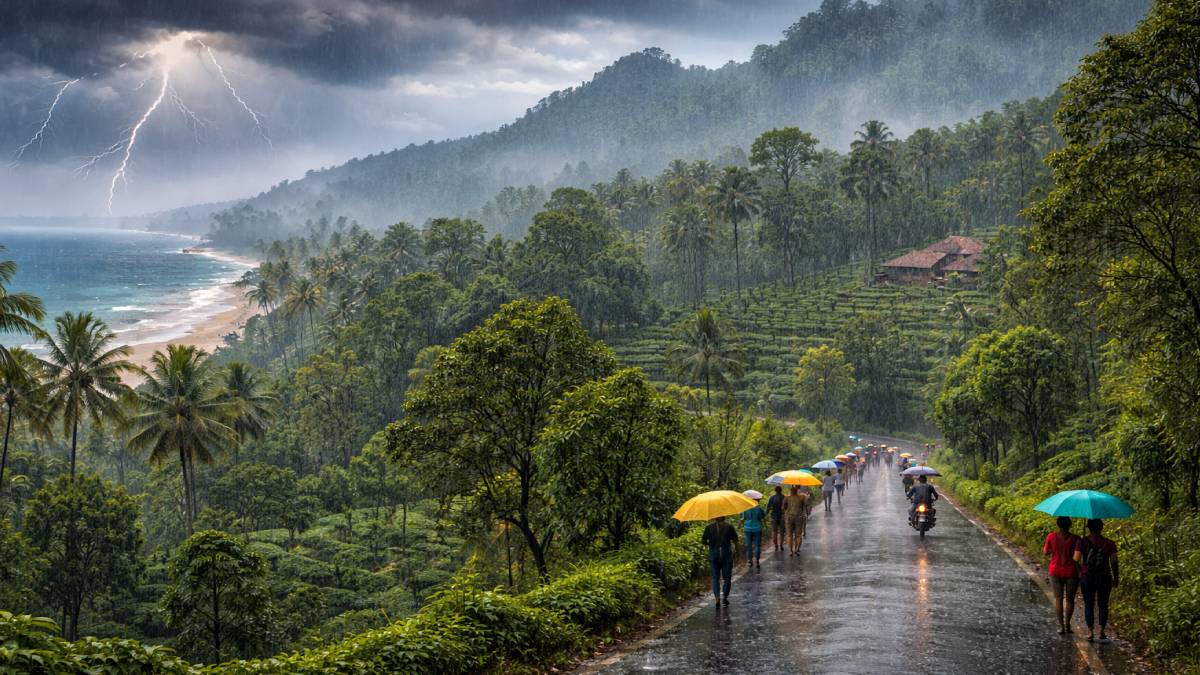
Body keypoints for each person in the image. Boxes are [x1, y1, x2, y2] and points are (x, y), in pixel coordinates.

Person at [1074, 519, 1119, 642]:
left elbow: (1076, 560)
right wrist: (1116, 578)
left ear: (1088, 527)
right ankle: (1102, 631)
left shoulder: (1082, 542)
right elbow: (1114, 563)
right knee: (1103, 605)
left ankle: (1090, 632)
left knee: (1089, 604)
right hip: (1105, 578)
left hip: (1087, 578)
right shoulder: (1110, 543)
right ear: (1102, 528)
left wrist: (1081, 571)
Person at [1044, 516, 1080, 635]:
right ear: (1070, 525)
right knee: (1070, 600)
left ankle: (1061, 627)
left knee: (1058, 599)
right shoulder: (1076, 538)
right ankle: (1068, 624)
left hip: (1055, 571)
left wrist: (1053, 550)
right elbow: (1077, 557)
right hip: (1071, 572)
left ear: (1058, 524)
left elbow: (1046, 552)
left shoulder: (1051, 536)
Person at [702, 516, 739, 605]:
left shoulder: (708, 527)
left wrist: (710, 543)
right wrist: (737, 552)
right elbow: (735, 540)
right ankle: (725, 597)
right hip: (726, 554)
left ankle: (717, 597)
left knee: (715, 578)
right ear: (724, 517)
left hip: (713, 554)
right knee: (727, 578)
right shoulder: (729, 527)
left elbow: (703, 540)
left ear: (714, 518)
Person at [782, 486, 809, 555]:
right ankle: (797, 549)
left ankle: (791, 550)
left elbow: (782, 508)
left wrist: (787, 509)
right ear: (797, 491)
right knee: (798, 535)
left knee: (789, 535)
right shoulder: (802, 497)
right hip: (799, 517)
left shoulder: (787, 498)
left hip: (789, 517)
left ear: (790, 491)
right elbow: (806, 505)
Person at [739, 500, 766, 568]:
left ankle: (749, 560)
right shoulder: (759, 508)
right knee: (757, 545)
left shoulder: (744, 508)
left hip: (747, 529)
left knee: (749, 545)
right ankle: (757, 560)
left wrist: (739, 524)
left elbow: (742, 519)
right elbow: (762, 517)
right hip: (757, 528)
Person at [766, 486, 785, 551]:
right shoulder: (784, 497)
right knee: (782, 532)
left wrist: (766, 514)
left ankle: (776, 546)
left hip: (774, 516)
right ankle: (781, 545)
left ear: (775, 491)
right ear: (781, 490)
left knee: (774, 532)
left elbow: (768, 507)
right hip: (782, 516)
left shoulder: (772, 498)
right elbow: (786, 507)